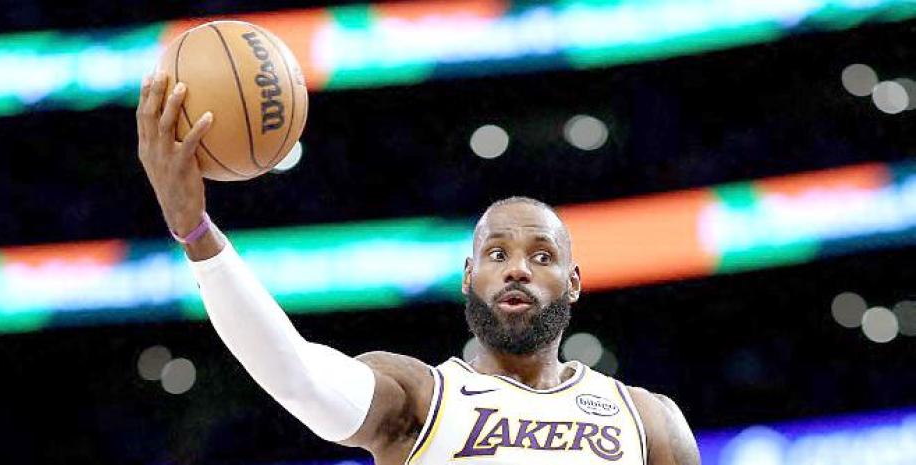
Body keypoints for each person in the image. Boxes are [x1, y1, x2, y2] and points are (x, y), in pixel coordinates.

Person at [136, 71, 700, 465]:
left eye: (542, 256)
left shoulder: (647, 419)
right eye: (497, 254)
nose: (517, 270)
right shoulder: (418, 399)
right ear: (468, 278)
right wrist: (196, 232)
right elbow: (296, 375)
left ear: (573, 284)